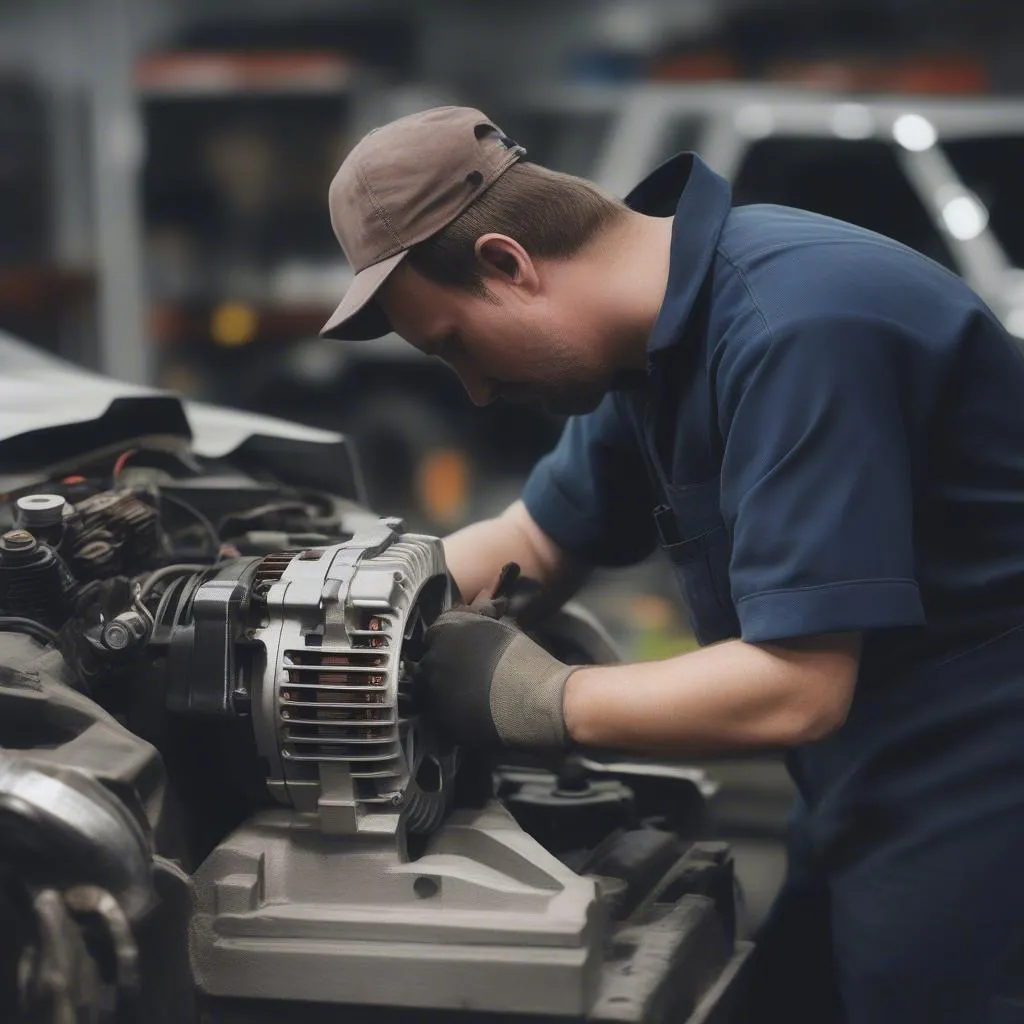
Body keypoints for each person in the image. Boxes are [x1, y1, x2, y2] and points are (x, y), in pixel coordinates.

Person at [319, 106, 1024, 1023]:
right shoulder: (647, 349)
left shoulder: (794, 328)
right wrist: (348, 614)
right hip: (872, 769)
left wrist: (534, 700)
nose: (478, 393)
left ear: (508, 264)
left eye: (454, 345)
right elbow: (534, 543)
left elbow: (796, 688)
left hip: (983, 777)